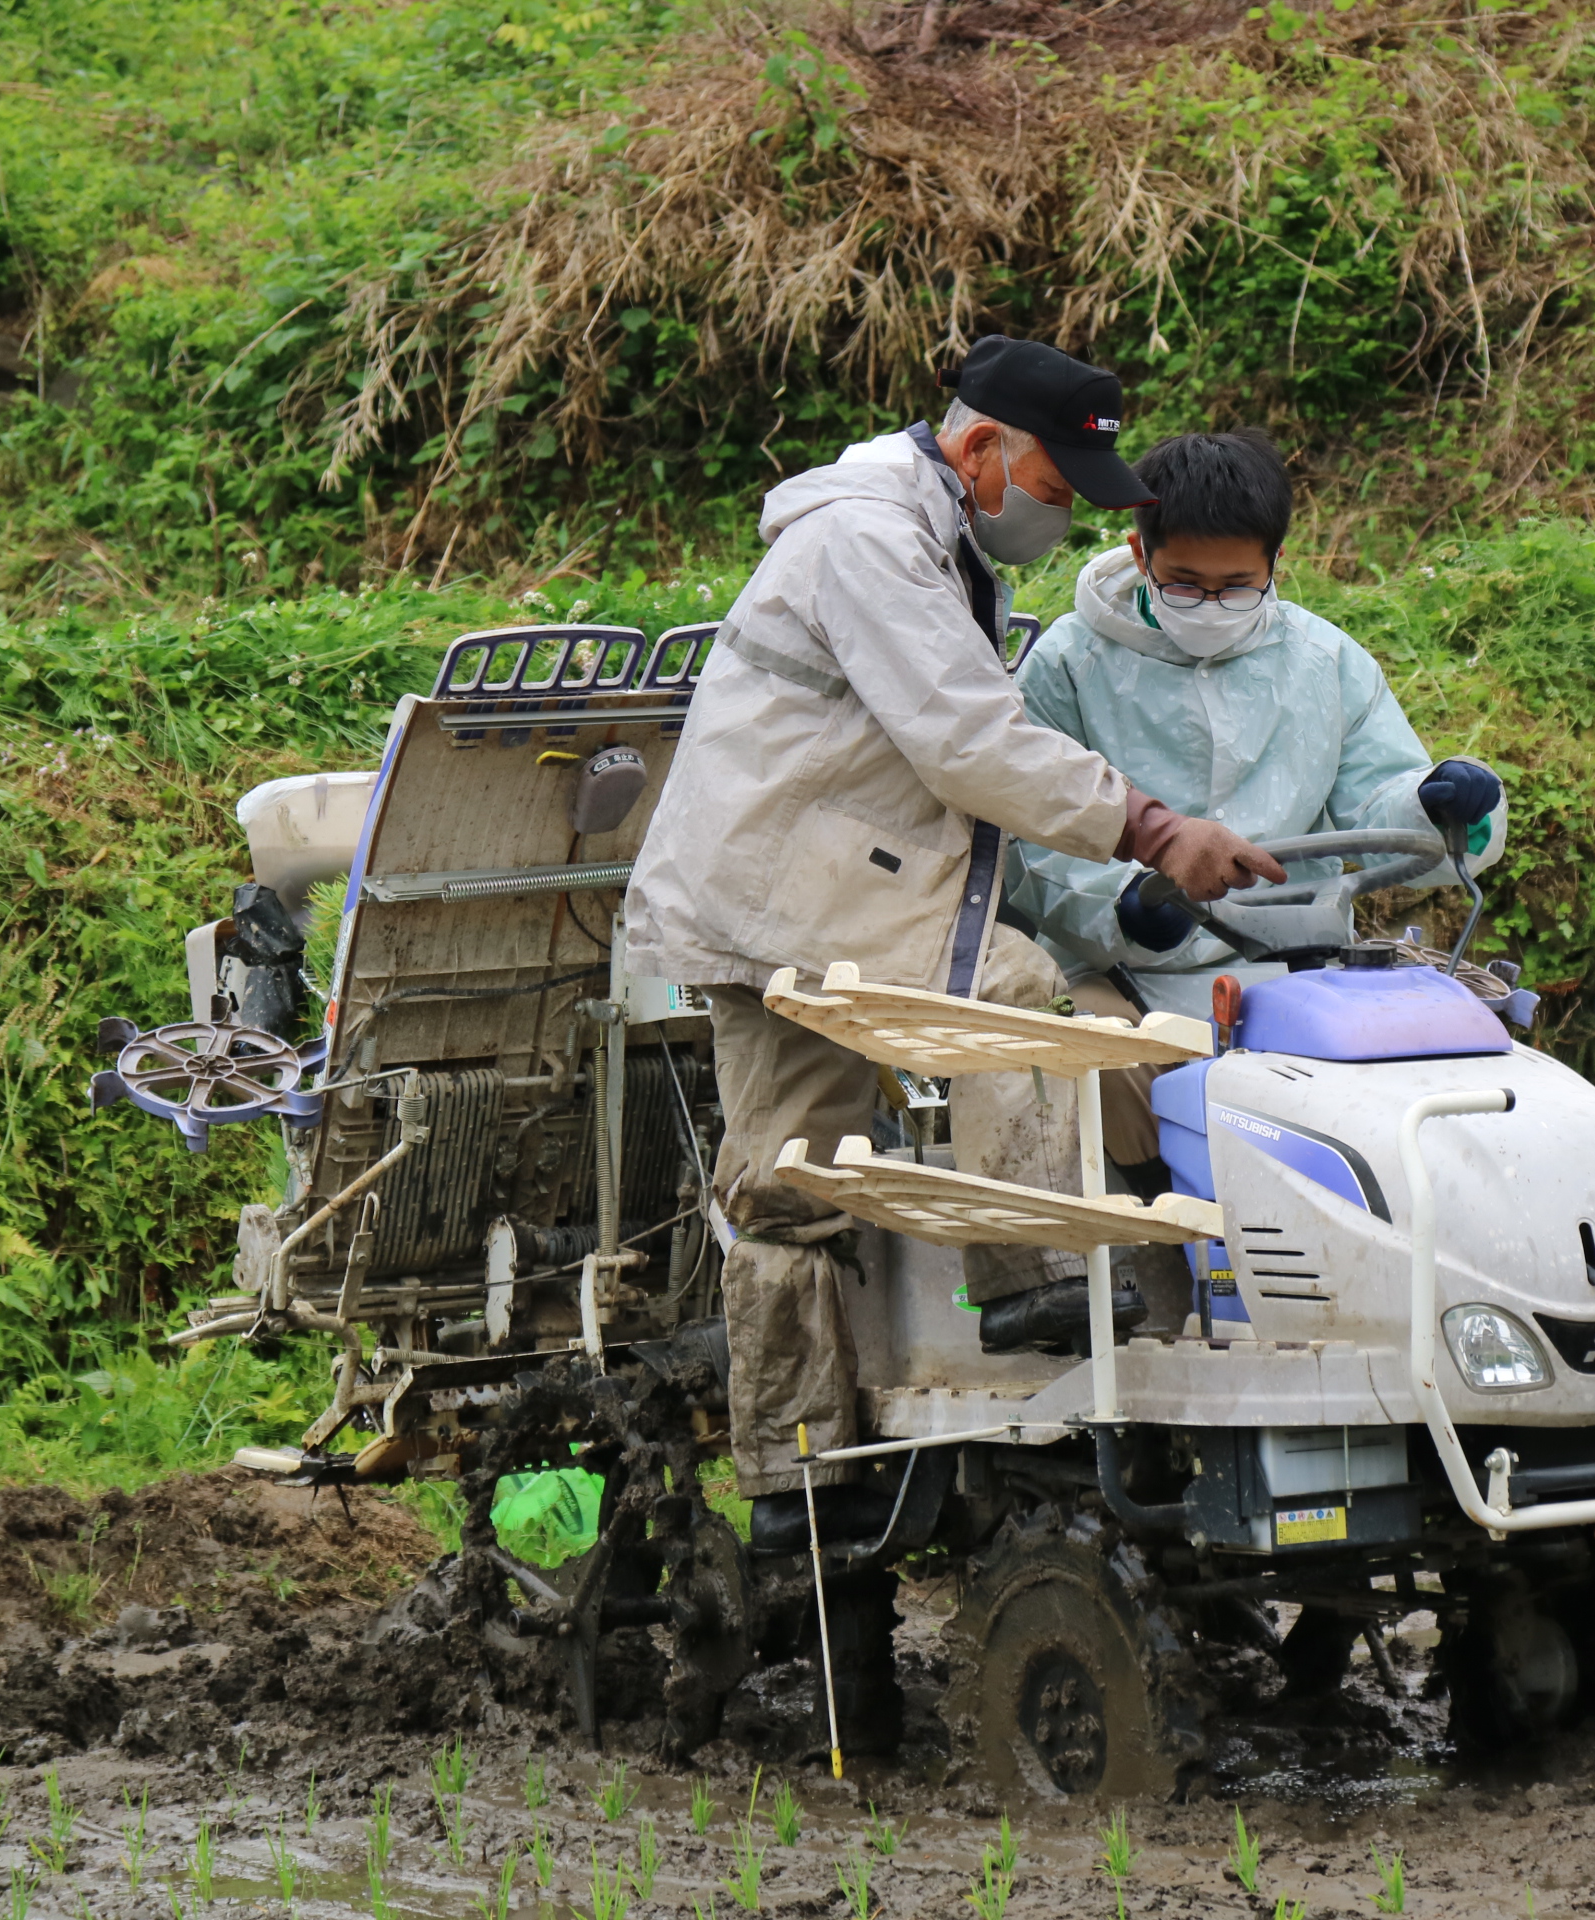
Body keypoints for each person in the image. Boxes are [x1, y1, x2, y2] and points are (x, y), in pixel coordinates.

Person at [622, 335, 1284, 1605]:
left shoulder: (933, 538)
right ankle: (1001, 1308)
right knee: (993, 1017)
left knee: (792, 1180)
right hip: (791, 889)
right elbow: (970, 741)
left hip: (823, 884)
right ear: (982, 450)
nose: (1060, 519)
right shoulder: (867, 540)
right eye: (1055, 487)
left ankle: (799, 1498)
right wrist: (1151, 829)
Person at [1005, 428, 1505, 1187]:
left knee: (1434, 1088)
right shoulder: (1066, 668)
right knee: (1097, 1058)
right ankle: (1160, 1251)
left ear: (1276, 564)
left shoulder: (1326, 662)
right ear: (1141, 556)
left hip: (1301, 968)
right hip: (1125, 968)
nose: (1210, 604)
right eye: (1183, 583)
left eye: (1236, 585)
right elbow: (1034, 842)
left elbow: (1381, 804)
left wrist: (1437, 802)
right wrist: (1129, 906)